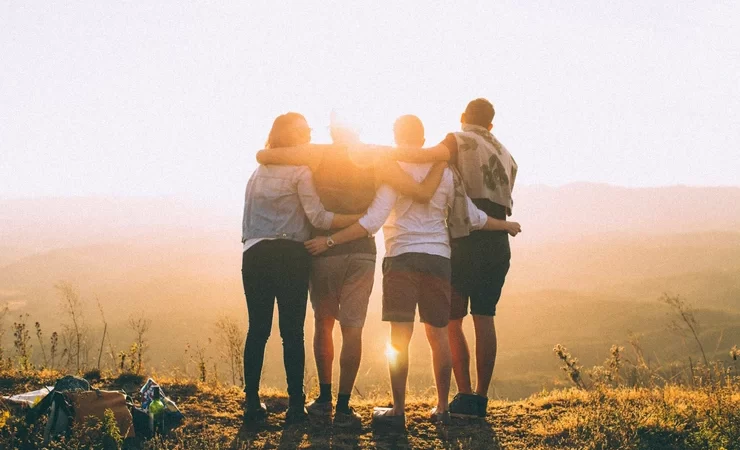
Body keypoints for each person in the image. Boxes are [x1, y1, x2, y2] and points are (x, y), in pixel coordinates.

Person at [304, 115, 520, 428]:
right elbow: (472, 216)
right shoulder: (445, 171)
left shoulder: (392, 170)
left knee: (399, 338)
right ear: (423, 139)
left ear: (396, 136)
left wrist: (330, 240)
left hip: (401, 257)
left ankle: (399, 411)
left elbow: (372, 222)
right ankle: (443, 408)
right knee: (439, 335)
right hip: (438, 258)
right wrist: (505, 225)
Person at [254, 115, 445, 428]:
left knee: (323, 323)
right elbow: (417, 181)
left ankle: (324, 398)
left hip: (323, 251)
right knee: (352, 328)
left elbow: (267, 155)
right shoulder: (377, 156)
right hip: (362, 253)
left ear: (332, 131)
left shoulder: (317, 153)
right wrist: (441, 156)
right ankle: (343, 406)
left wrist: (263, 154)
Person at [383, 98, 519, 418]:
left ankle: (463, 395)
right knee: (485, 318)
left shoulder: (457, 140)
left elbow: (426, 156)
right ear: (491, 124)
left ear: (462, 118)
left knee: (452, 321)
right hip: (496, 241)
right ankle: (480, 400)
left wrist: (380, 155)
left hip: (464, 239)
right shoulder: (506, 154)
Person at [240, 112, 363, 425]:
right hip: (291, 255)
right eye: (304, 130)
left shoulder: (257, 172)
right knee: (291, 332)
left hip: (254, 254)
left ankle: (252, 403)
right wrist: (357, 220)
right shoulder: (301, 171)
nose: (309, 133)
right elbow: (319, 218)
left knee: (258, 330)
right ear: (290, 136)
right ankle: (295, 407)